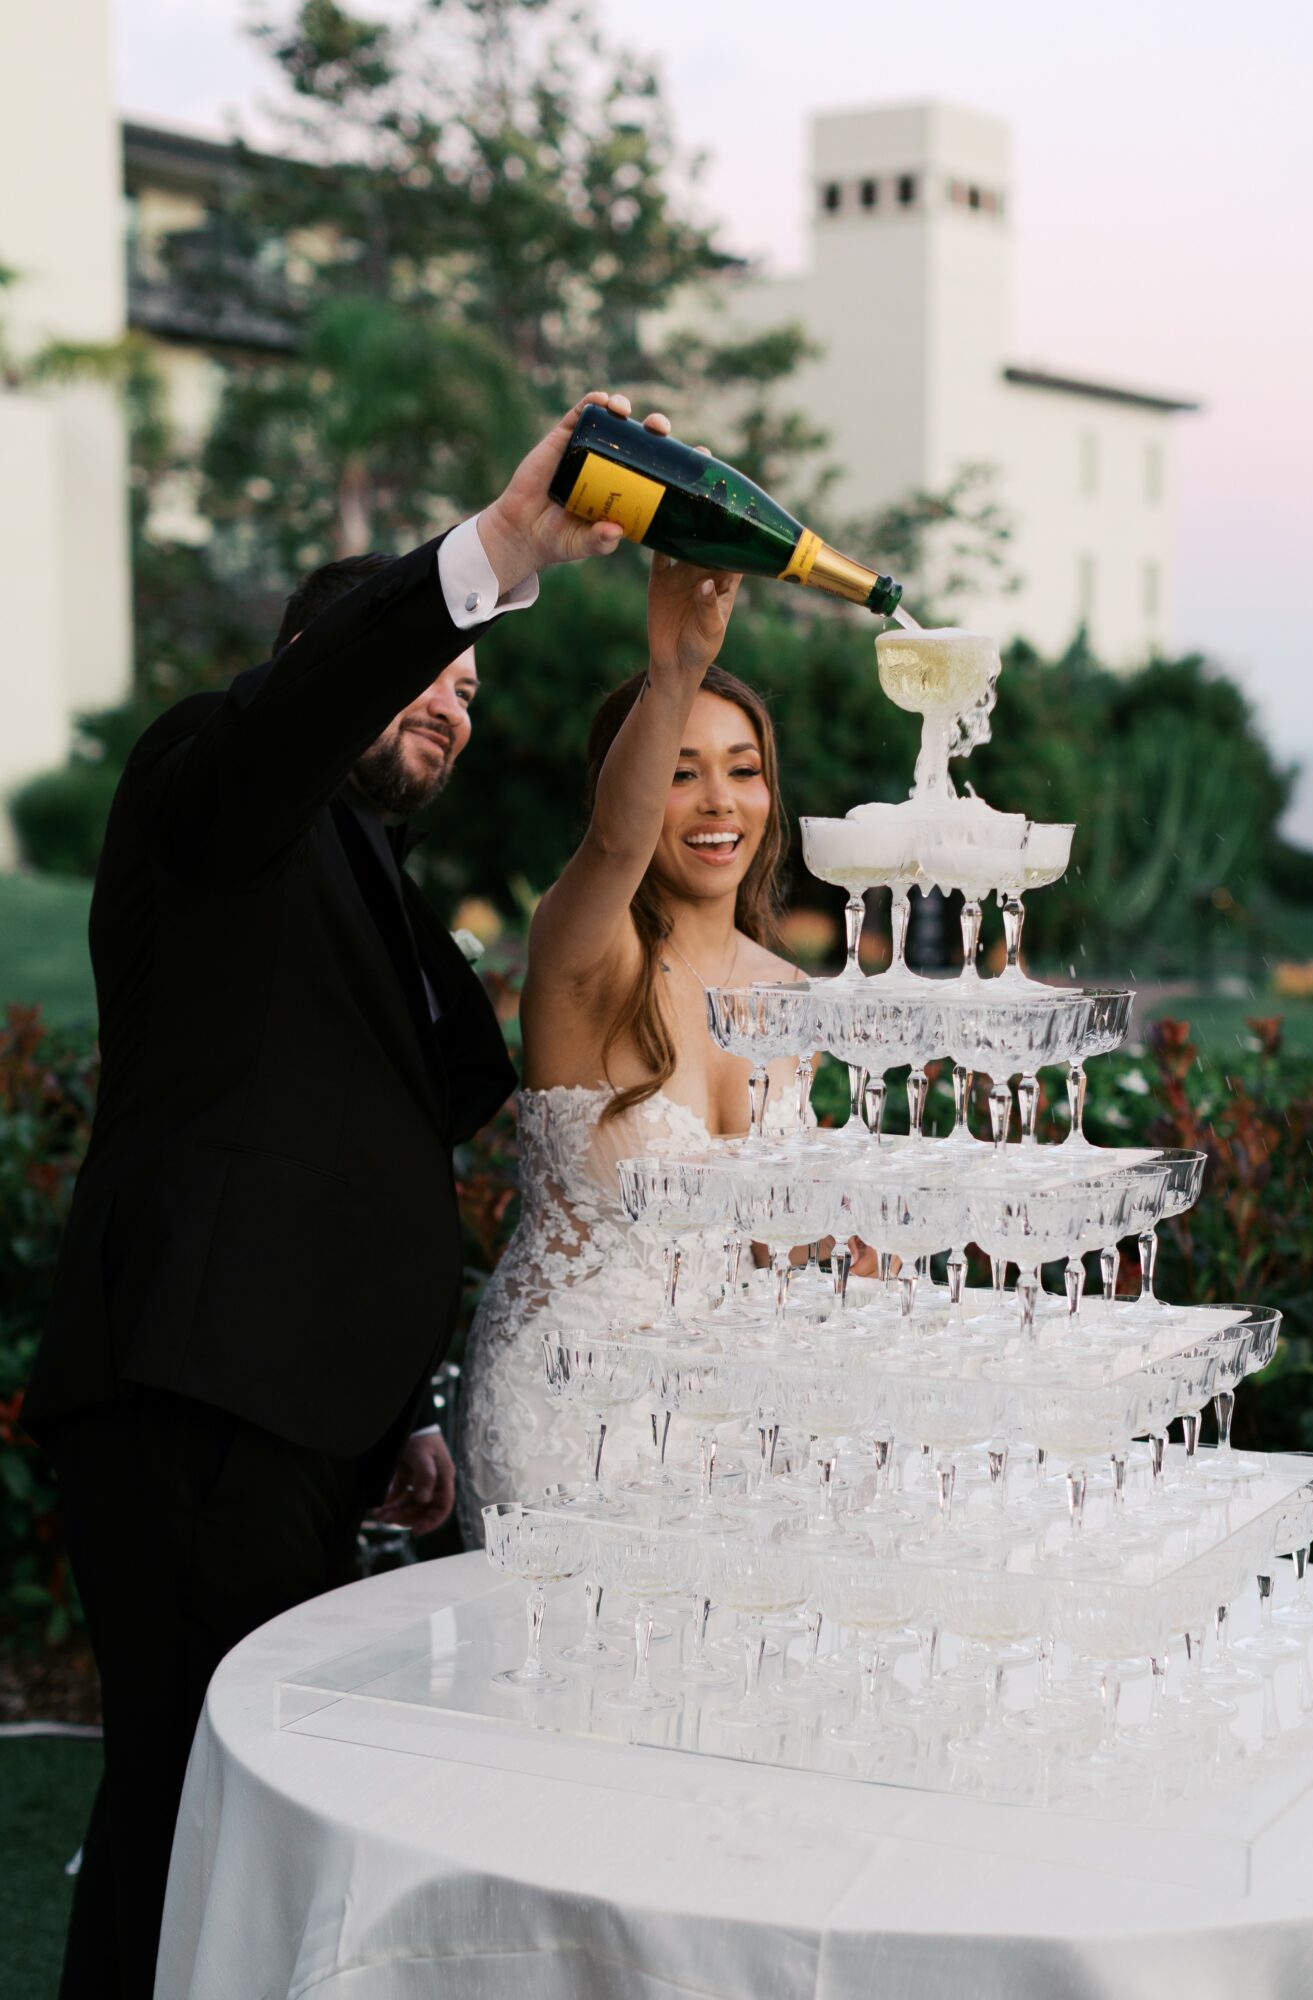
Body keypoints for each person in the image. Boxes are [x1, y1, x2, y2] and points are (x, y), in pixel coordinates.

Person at [22, 389, 664, 2000]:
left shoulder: (375, 882)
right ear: (318, 673)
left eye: (463, 698)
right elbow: (293, 722)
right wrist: (506, 548)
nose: (447, 709)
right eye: (420, 678)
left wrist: (398, 1412)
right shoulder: (212, 789)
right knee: (194, 1798)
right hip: (198, 1394)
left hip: (302, 1422)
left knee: (258, 1817)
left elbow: (390, 1129)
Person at [457, 552, 804, 1527]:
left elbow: (787, 1246)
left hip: (734, 1430)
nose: (718, 802)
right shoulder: (584, 958)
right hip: (572, 1413)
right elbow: (614, 845)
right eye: (680, 773)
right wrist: (675, 665)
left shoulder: (797, 997)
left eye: (743, 770)